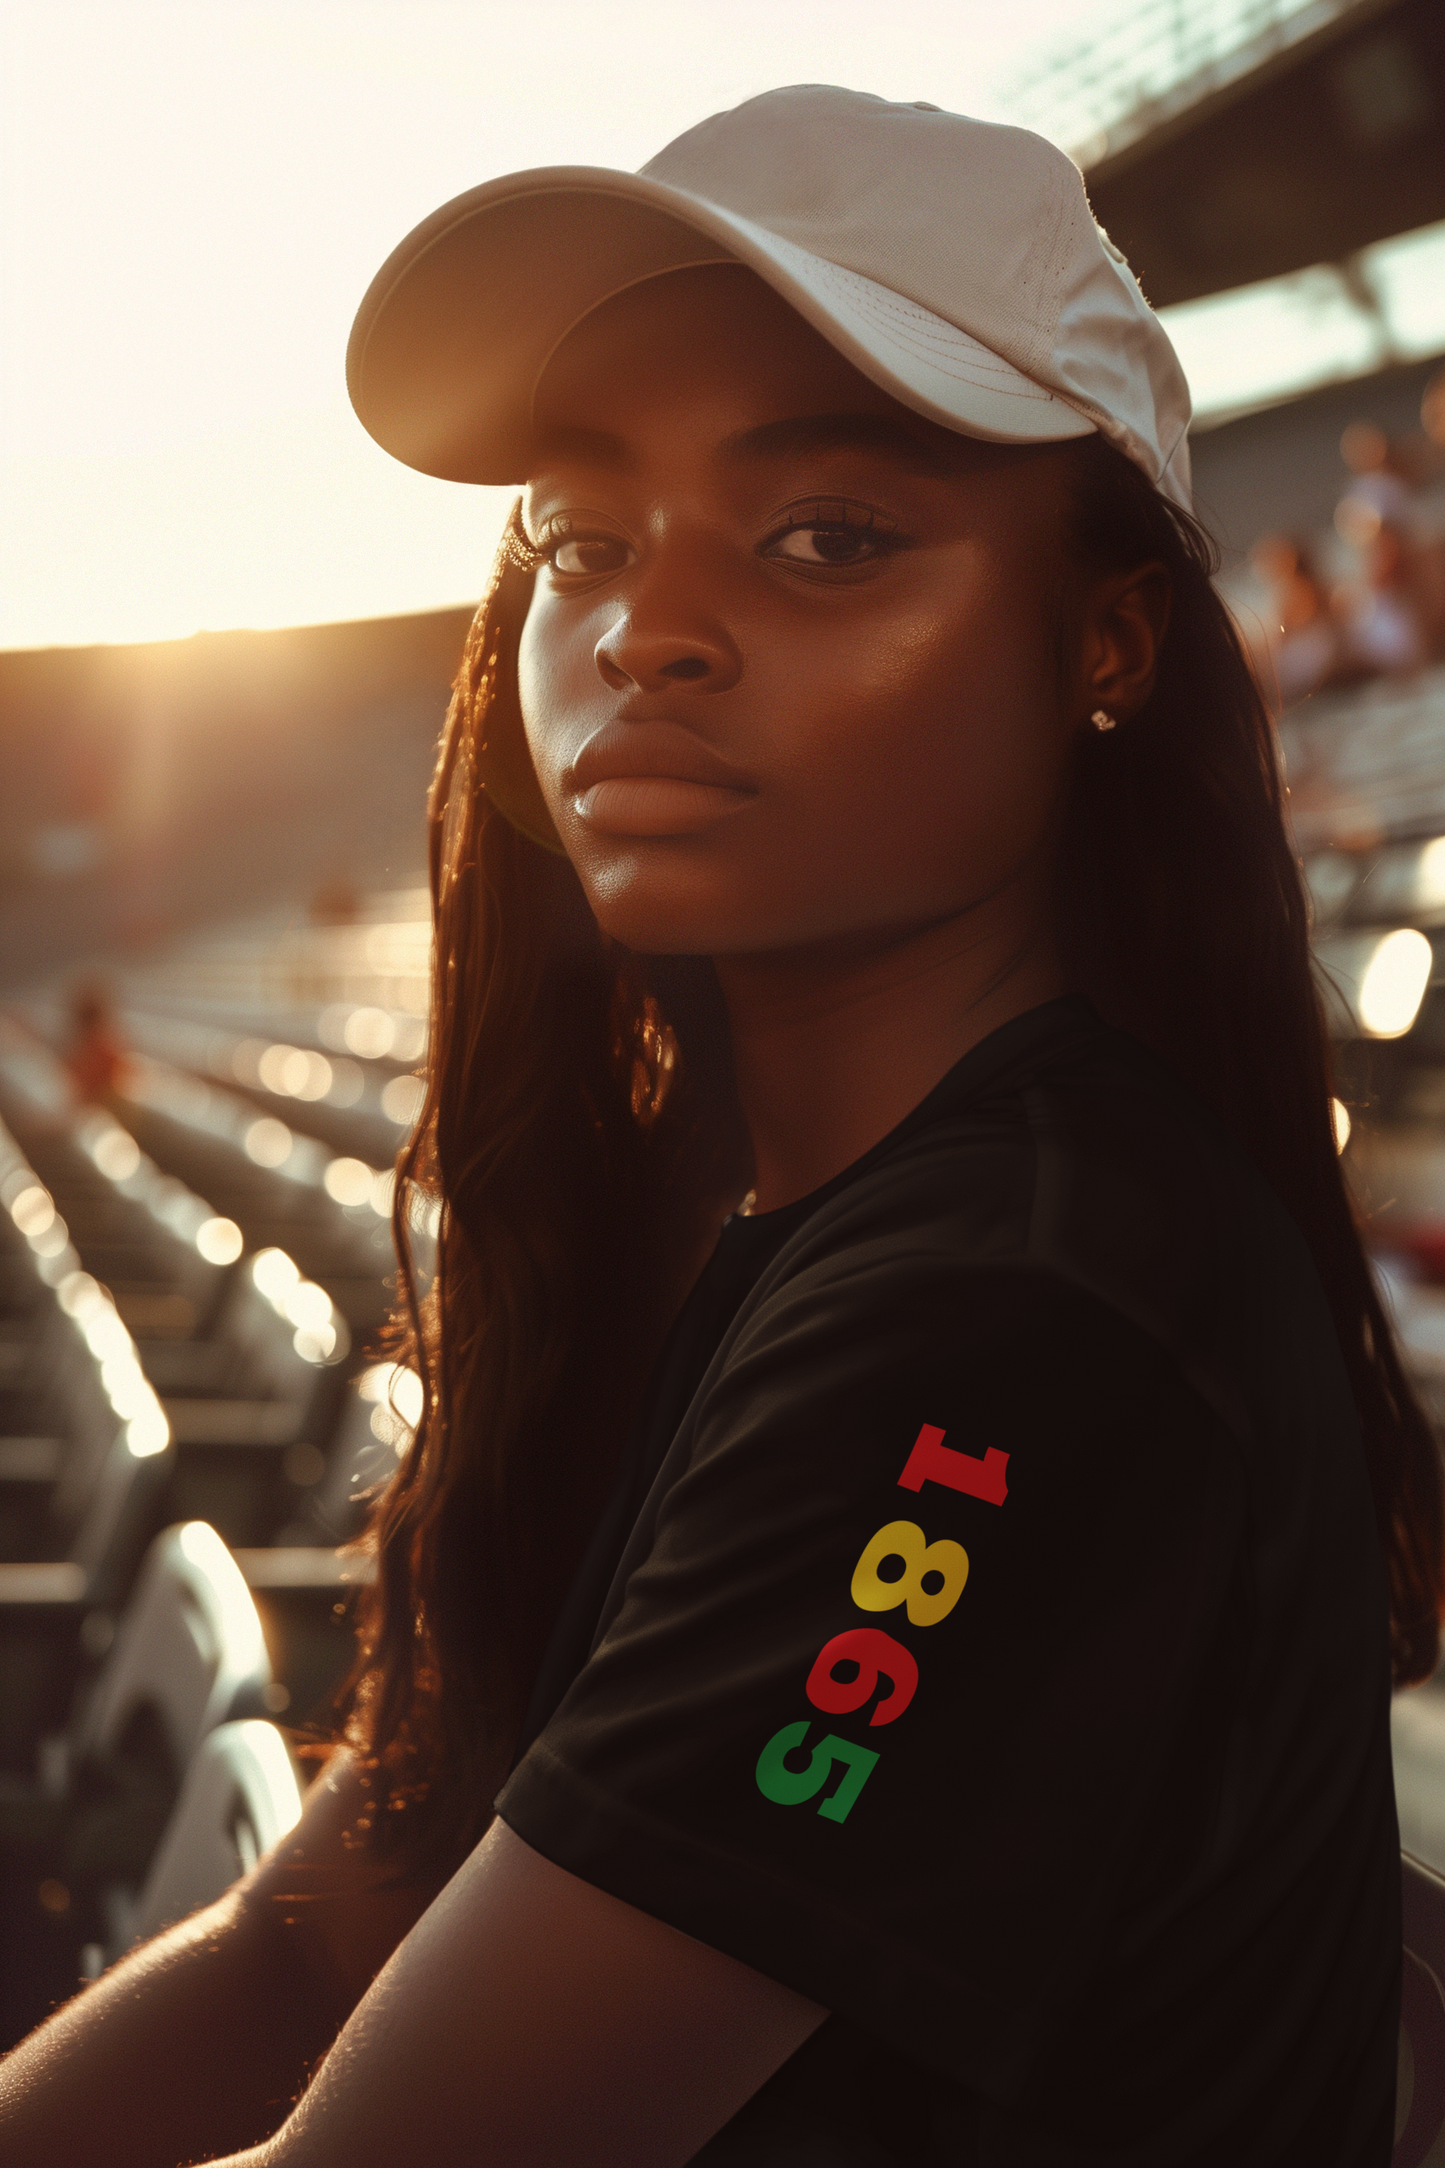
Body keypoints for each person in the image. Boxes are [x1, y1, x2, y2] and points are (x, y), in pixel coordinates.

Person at [2, 84, 1440, 2168]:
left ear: (1104, 642)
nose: (641, 629)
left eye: (825, 537)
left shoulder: (1022, 1305)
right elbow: (308, 1942)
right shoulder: (749, 1219)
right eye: (579, 540)